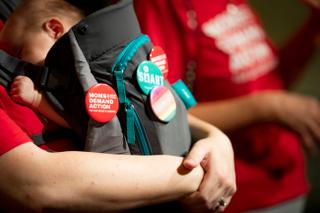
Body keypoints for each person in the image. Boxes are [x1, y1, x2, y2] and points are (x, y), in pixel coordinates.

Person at [0, 0, 236, 212]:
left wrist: (215, 138)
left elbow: (80, 117)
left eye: (21, 53)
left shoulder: (73, 72)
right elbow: (33, 186)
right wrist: (194, 174)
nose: (21, 64)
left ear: (54, 29)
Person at [134, 0, 320, 212]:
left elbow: (272, 80)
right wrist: (270, 107)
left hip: (287, 181)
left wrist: (314, 24)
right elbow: (162, 110)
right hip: (239, 192)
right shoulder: (161, 5)